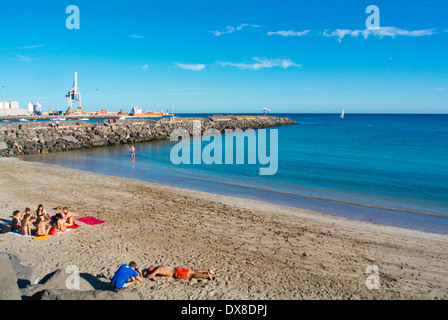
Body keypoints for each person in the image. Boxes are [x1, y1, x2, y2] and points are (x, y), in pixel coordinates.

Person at [144, 265, 215, 281]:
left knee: (191, 276)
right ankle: (207, 270)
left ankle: (205, 275)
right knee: (192, 271)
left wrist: (147, 274)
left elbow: (149, 276)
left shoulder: (157, 270)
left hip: (176, 273)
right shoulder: (160, 266)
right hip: (177, 268)